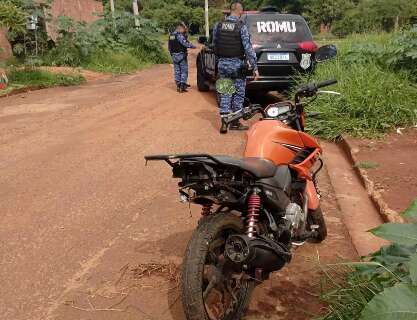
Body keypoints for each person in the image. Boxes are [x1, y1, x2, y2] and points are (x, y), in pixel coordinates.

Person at [213, 2, 259, 134]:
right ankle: (235, 122)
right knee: (238, 94)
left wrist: (220, 59)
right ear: (240, 11)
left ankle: (224, 123)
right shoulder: (241, 27)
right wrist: (255, 67)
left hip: (223, 65)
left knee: (225, 92)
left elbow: (214, 44)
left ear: (230, 10)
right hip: (237, 66)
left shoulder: (219, 25)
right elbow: (248, 48)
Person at [168, 22, 196, 93]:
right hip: (181, 55)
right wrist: (193, 46)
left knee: (177, 71)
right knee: (184, 71)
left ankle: (178, 85)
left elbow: (169, 47)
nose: (184, 31)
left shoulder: (171, 35)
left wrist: (172, 54)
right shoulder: (179, 35)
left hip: (174, 55)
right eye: (184, 29)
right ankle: (182, 86)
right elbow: (185, 43)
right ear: (180, 28)